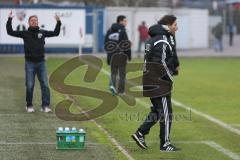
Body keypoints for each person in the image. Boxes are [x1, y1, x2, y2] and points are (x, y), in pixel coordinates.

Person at [131, 15, 180, 152]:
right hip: (159, 82)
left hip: (150, 80)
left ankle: (140, 133)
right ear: (168, 25)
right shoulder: (162, 40)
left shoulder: (153, 38)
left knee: (158, 111)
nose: (177, 27)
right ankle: (165, 144)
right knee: (166, 113)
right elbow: (160, 63)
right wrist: (169, 77)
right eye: (175, 24)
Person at [6, 11, 61, 113]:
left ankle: (45, 106)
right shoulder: (24, 33)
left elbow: (56, 33)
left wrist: (58, 21)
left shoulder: (42, 32)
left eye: (35, 20)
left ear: (37, 22)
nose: (34, 22)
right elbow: (10, 32)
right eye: (32, 20)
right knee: (30, 85)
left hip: (41, 63)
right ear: (29, 23)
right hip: (29, 63)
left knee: (45, 85)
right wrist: (9, 19)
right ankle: (29, 105)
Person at [104, 15, 131, 95]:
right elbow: (126, 44)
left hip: (112, 55)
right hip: (120, 55)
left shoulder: (109, 30)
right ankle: (121, 91)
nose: (126, 22)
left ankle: (112, 86)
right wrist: (128, 56)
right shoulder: (123, 31)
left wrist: (109, 53)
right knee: (122, 73)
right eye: (125, 21)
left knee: (113, 72)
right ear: (120, 21)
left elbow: (105, 43)